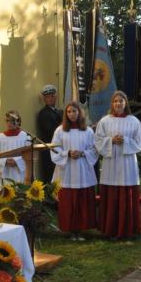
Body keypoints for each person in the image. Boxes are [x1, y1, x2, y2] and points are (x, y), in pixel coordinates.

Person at [94, 90, 141, 239]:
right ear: (112, 103)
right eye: (116, 101)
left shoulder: (134, 121)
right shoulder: (104, 121)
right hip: (111, 163)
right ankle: (110, 229)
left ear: (125, 103)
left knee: (126, 195)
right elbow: (97, 141)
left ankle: (128, 229)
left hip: (127, 163)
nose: (118, 104)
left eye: (121, 101)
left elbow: (140, 142)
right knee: (111, 196)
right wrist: (110, 141)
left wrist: (125, 141)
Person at [51, 102, 98, 240]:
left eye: (74, 111)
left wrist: (83, 154)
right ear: (66, 114)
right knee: (68, 200)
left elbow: (94, 149)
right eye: (69, 111)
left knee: (82, 199)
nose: (72, 114)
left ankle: (81, 228)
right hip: (67, 171)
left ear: (80, 112)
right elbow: (54, 148)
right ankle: (70, 229)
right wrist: (67, 153)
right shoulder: (60, 131)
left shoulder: (88, 131)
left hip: (83, 169)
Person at [0, 110, 29, 183]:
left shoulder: (25, 137)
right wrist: (5, 161)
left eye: (12, 121)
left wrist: (17, 161)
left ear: (18, 121)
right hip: (5, 174)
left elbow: (30, 154)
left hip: (21, 173)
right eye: (7, 121)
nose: (9, 123)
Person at [36, 84, 62, 183]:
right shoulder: (43, 113)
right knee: (50, 176)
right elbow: (50, 131)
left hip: (59, 148)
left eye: (52, 96)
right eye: (47, 97)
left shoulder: (60, 111)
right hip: (49, 148)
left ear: (55, 96)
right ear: (44, 99)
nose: (50, 99)